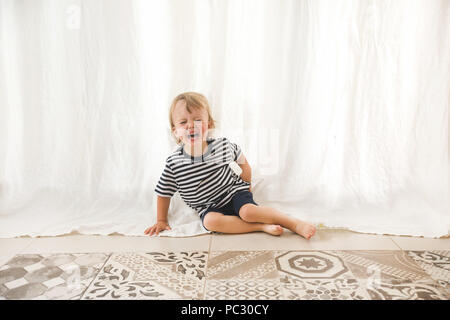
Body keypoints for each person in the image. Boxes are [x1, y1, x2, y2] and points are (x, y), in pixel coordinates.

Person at [144, 92, 316, 239]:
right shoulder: (174, 163)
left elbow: (244, 164)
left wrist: (246, 187)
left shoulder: (222, 146)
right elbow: (163, 193)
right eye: (183, 122)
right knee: (210, 222)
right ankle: (260, 227)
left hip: (233, 193)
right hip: (207, 206)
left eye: (197, 120)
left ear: (209, 124)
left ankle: (293, 223)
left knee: (248, 212)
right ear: (175, 131)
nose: (190, 126)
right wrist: (161, 220)